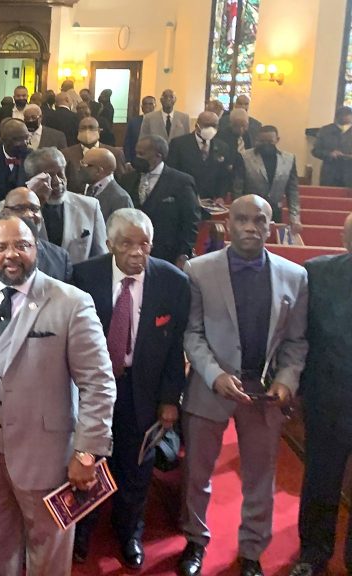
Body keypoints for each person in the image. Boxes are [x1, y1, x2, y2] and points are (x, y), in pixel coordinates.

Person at [0, 214, 115, 575]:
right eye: (1, 247)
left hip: (48, 457)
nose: (11, 254)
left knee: (50, 550)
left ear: (36, 248)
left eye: (21, 245)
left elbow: (99, 384)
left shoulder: (72, 302)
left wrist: (88, 450)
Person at [177, 195, 309, 576]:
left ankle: (252, 551)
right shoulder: (199, 270)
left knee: (260, 478)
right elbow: (192, 332)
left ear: (272, 226)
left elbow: (297, 341)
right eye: (242, 219)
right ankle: (195, 541)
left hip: (264, 395)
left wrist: (286, 379)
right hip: (210, 387)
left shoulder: (294, 276)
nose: (251, 227)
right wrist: (214, 375)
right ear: (227, 224)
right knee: (197, 475)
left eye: (260, 220)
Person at [70, 209, 190, 569]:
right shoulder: (84, 275)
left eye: (144, 244)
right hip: (92, 389)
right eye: (127, 244)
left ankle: (129, 533)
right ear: (109, 244)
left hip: (144, 391)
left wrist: (170, 399)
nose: (137, 252)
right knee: (90, 460)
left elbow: (176, 347)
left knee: (137, 469)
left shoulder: (172, 281)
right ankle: (83, 531)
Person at [289, 213, 352, 576]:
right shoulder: (318, 273)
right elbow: (301, 337)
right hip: (326, 400)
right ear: (344, 241)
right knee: (320, 482)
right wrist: (296, 390)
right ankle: (313, 554)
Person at [0, 187, 74, 283]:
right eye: (19, 208)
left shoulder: (60, 258)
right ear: (4, 214)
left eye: (34, 209)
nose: (29, 214)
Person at [120, 135, 201, 268]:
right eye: (136, 153)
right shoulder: (127, 179)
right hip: (133, 253)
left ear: (158, 155)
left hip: (168, 254)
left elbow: (191, 220)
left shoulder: (181, 182)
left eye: (142, 154)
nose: (137, 158)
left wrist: (184, 254)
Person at [25, 147, 107, 264]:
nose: (57, 181)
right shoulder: (17, 210)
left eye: (60, 174)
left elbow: (101, 256)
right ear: (33, 179)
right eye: (49, 176)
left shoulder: (90, 207)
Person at [234, 126, 301, 233]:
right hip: (250, 211)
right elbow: (237, 189)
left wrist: (295, 218)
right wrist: (238, 214)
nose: (266, 144)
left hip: (276, 211)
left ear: (277, 140)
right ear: (257, 139)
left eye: (270, 141)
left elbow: (292, 191)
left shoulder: (289, 159)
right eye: (262, 141)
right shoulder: (244, 157)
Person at [166, 110, 237, 201]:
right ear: (197, 125)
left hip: (211, 199)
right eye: (207, 125)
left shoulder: (223, 147)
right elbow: (172, 172)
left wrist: (220, 196)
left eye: (214, 125)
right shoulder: (179, 144)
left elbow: (224, 175)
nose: (210, 129)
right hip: (185, 196)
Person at [64, 116, 127, 193]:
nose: (87, 131)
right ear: (78, 131)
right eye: (83, 128)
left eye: (91, 128)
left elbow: (122, 182)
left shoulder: (114, 154)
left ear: (99, 131)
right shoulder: (66, 154)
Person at [74, 147, 134, 223]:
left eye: (84, 165)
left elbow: (124, 232)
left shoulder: (121, 199)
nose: (79, 169)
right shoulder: (91, 190)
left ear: (99, 171)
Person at [311, 106, 352, 187]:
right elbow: (315, 151)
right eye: (343, 116)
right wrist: (329, 154)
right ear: (337, 117)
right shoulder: (325, 130)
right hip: (330, 174)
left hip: (349, 174)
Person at [124, 96, 156, 163]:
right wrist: (128, 161)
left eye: (150, 104)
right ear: (142, 107)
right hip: (137, 158)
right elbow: (127, 143)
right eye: (145, 104)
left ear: (155, 106)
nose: (147, 106)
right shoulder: (134, 122)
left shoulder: (159, 121)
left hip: (155, 158)